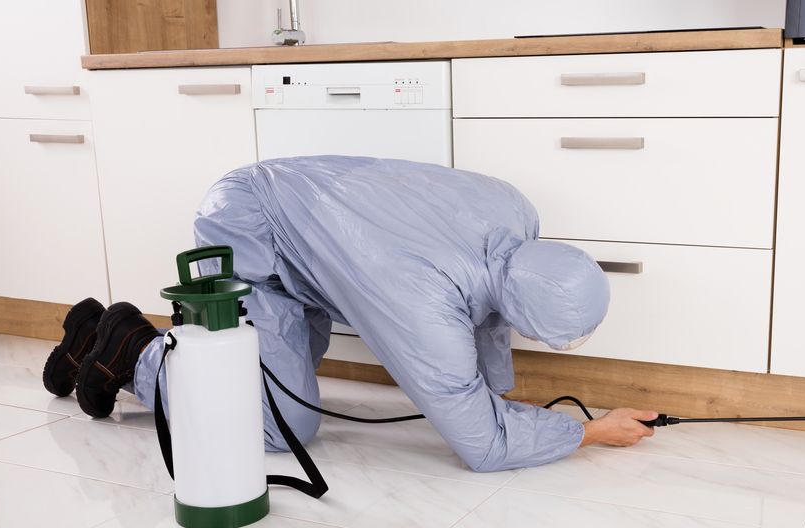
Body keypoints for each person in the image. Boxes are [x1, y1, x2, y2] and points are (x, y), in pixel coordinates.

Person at [43, 156, 657, 472]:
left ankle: (93, 329)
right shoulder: (424, 299)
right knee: (281, 424)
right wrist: (590, 432)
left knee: (285, 375)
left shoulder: (516, 216)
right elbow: (482, 448)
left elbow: (491, 314)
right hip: (251, 235)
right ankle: (132, 351)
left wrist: (499, 398)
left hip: (288, 201)